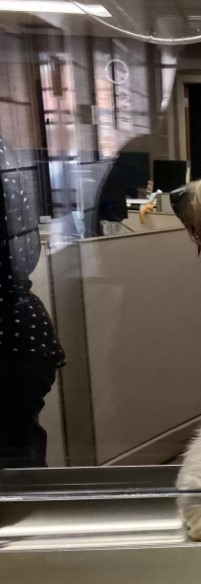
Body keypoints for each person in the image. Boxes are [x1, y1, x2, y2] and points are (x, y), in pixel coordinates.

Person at [0, 135, 65, 469]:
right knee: (23, 449)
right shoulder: (5, 150)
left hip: (13, 343)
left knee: (16, 463)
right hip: (25, 335)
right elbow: (24, 253)